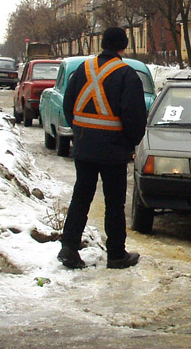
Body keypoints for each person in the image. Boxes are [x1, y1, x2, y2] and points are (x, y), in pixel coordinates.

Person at [57, 27, 147, 269]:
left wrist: (80, 131)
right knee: (114, 203)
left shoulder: (83, 69)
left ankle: (68, 248)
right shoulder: (127, 75)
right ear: (123, 47)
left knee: (81, 196)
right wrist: (131, 142)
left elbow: (68, 105)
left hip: (84, 146)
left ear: (103, 44)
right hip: (114, 150)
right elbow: (134, 115)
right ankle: (116, 254)